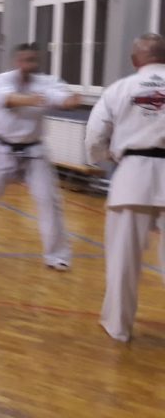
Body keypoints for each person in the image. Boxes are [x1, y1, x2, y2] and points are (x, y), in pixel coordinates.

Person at [0, 43, 82, 270]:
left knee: (49, 200)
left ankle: (57, 256)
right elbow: (8, 100)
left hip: (34, 151)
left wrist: (69, 101)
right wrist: (35, 99)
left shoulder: (47, 82)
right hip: (0, 149)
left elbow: (61, 97)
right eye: (25, 60)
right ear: (17, 61)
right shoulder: (2, 80)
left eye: (33, 60)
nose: (29, 64)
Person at [85, 33, 165, 342]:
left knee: (123, 259)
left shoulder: (120, 88)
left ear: (135, 60)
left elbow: (95, 135)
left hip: (133, 176)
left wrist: (104, 157)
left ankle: (118, 326)